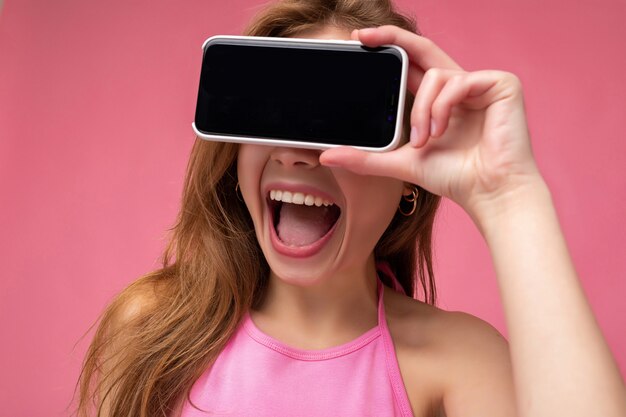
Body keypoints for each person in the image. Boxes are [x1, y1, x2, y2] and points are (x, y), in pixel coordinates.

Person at [75, 0, 626, 416]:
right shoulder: (153, 328)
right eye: (275, 115)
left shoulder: (457, 361)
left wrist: (511, 197)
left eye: (338, 122)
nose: (297, 153)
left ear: (409, 178)